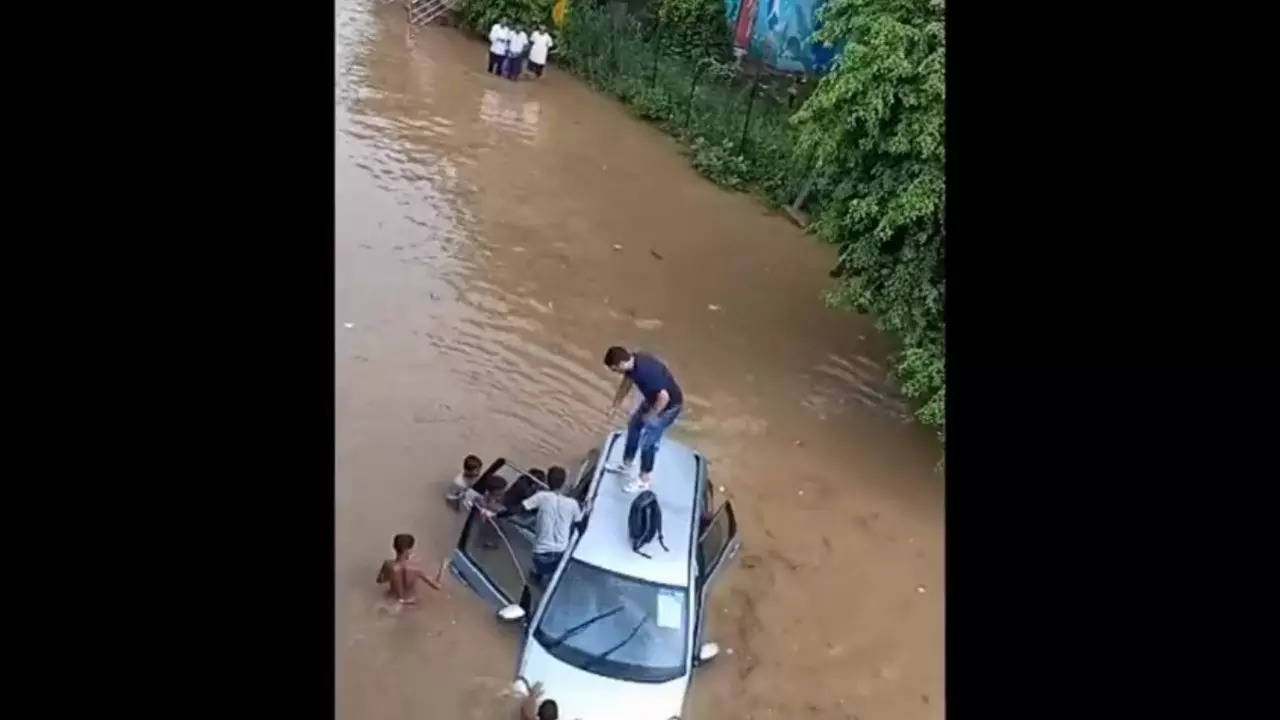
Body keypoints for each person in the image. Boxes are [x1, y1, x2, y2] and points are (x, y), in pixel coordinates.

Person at [603, 346, 684, 493]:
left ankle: (643, 479)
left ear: (621, 364)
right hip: (653, 400)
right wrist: (615, 405)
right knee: (634, 425)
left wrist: (652, 416)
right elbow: (626, 384)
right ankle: (627, 464)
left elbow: (664, 397)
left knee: (648, 441)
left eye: (614, 369)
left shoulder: (645, 374)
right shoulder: (633, 363)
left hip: (668, 406)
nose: (615, 372)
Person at [483, 466, 581, 586]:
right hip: (561, 553)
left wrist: (495, 515)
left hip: (540, 555)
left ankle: (538, 575)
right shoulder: (573, 504)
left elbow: (516, 510)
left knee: (541, 567)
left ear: (548, 482)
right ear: (564, 483)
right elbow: (580, 526)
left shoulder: (541, 496)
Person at [376, 533, 442, 604]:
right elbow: (437, 586)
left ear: (394, 547)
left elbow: (380, 581)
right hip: (410, 603)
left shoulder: (388, 565)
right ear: (409, 550)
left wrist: (391, 575)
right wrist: (442, 568)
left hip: (393, 602)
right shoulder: (416, 568)